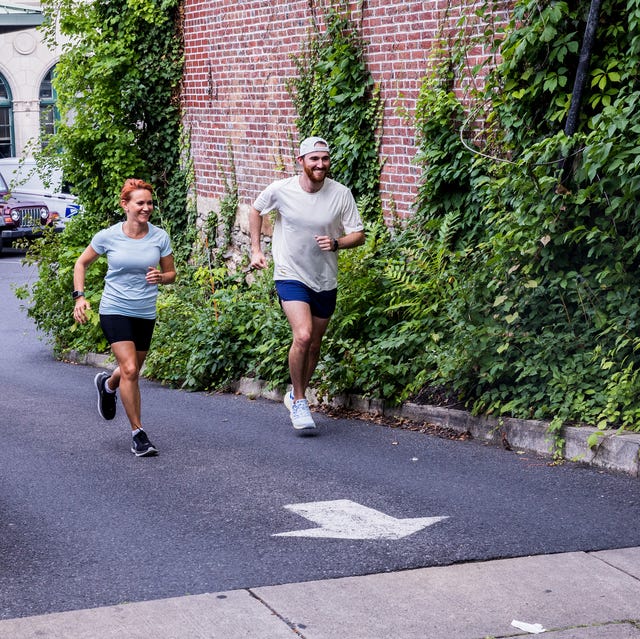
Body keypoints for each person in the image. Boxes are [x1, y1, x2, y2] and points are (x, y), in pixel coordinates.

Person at [249, 136, 365, 431]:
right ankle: (300, 402)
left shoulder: (341, 194)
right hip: (290, 274)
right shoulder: (281, 189)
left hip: (324, 278)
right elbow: (256, 210)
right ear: (300, 161)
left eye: (324, 159)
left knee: (314, 344)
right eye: (314, 159)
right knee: (302, 335)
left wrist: (337, 242)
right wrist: (256, 250)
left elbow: (358, 235)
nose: (320, 164)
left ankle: (294, 393)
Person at [72, 178, 176, 456]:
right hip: (114, 308)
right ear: (125, 205)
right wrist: (79, 297)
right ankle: (138, 434)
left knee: (132, 370)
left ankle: (107, 385)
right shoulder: (108, 236)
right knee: (130, 369)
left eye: (149, 203)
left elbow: (171, 274)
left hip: (144, 311)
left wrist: (161, 277)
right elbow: (81, 263)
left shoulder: (160, 237)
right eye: (140, 203)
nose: (146, 208)